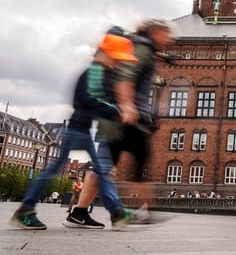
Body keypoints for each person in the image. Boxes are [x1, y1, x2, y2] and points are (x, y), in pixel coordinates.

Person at [11, 34, 143, 230]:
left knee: (99, 171)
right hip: (77, 129)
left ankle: (116, 211)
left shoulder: (98, 72)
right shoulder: (95, 71)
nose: (118, 61)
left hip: (81, 129)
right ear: (106, 54)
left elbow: (92, 100)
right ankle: (25, 210)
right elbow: (90, 99)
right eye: (116, 57)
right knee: (54, 171)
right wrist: (116, 110)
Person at [75, 19, 173, 222]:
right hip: (125, 118)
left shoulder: (142, 46)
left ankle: (80, 211)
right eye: (166, 35)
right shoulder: (142, 48)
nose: (169, 39)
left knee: (102, 165)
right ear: (155, 32)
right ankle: (126, 212)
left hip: (118, 116)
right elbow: (127, 75)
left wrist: (161, 56)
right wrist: (127, 105)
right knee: (131, 160)